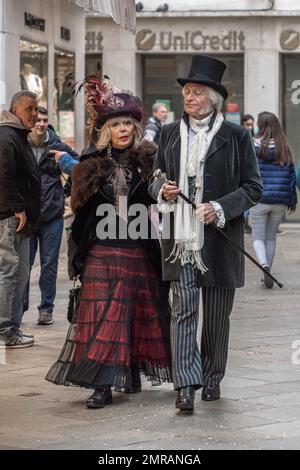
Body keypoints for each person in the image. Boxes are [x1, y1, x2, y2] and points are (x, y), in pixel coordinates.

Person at [46, 78, 172, 409]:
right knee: (104, 314)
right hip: (101, 250)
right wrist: (77, 260)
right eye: (116, 124)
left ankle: (126, 375)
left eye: (128, 123)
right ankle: (101, 383)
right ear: (106, 130)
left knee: (129, 315)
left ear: (135, 127)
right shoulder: (90, 163)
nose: (123, 130)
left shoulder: (148, 161)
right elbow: (81, 216)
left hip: (137, 249)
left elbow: (156, 196)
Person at [149, 55, 263, 410]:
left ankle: (212, 377)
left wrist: (220, 207)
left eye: (197, 92)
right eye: (187, 92)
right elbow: (154, 178)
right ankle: (186, 383)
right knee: (183, 311)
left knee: (216, 316)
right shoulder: (169, 133)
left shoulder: (236, 136)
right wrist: (161, 191)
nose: (189, 98)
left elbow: (253, 187)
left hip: (218, 240)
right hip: (179, 239)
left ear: (213, 98)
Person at [23, 107, 79, 326]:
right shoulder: (21, 145)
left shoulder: (58, 146)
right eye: (37, 120)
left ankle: (46, 308)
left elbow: (80, 169)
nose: (41, 123)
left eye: (45, 120)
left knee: (49, 264)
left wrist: (67, 192)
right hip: (27, 216)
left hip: (52, 216)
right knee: (24, 265)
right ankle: (20, 307)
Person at [0, 91, 41, 348]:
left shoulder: (17, 135)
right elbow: (2, 176)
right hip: (10, 218)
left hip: (19, 218)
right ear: (15, 109)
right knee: (11, 272)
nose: (35, 114)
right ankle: (6, 330)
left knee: (20, 273)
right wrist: (18, 208)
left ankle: (11, 327)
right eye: (30, 109)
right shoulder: (6, 136)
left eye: (36, 109)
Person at [250, 111, 297, 288]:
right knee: (271, 238)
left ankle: (264, 264)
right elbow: (291, 176)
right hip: (279, 200)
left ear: (260, 125)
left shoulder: (253, 144)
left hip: (259, 199)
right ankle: (267, 269)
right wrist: (292, 201)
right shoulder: (284, 146)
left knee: (258, 236)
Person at [241, 114, 255, 233]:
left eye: (251, 124)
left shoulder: (254, 138)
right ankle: (243, 223)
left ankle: (245, 224)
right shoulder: (239, 136)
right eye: (247, 124)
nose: (250, 127)